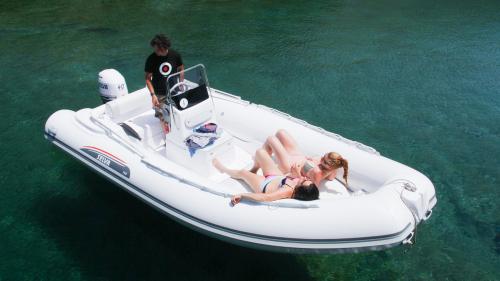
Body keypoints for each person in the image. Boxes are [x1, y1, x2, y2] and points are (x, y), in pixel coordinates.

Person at [212, 148, 319, 205]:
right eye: (307, 179)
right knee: (260, 152)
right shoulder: (300, 182)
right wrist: (295, 174)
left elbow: (265, 198)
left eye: (303, 182)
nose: (304, 178)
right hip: (276, 177)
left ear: (299, 189)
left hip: (264, 184)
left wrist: (242, 195)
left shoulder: (287, 191)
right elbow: (296, 178)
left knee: (243, 173)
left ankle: (223, 169)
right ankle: (254, 169)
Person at [251, 129, 349, 187]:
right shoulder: (331, 169)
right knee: (281, 132)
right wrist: (325, 168)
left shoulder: (317, 173)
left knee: (271, 139)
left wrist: (297, 174)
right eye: (323, 156)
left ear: (331, 167)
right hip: (299, 156)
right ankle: (261, 159)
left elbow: (309, 188)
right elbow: (331, 178)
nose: (321, 159)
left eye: (324, 161)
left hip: (289, 165)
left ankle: (255, 168)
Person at [144, 34, 184, 133]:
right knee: (163, 117)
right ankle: (168, 138)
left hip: (174, 91)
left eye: (157, 49)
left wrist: (181, 84)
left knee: (176, 114)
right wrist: (153, 95)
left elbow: (181, 69)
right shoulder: (151, 59)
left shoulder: (175, 55)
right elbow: (148, 78)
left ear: (163, 48)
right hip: (159, 94)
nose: (155, 51)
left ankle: (176, 133)